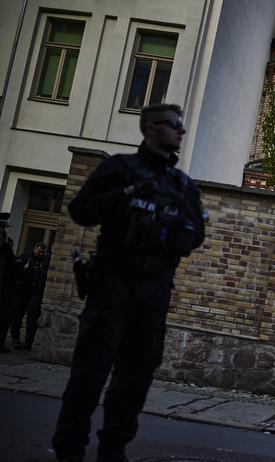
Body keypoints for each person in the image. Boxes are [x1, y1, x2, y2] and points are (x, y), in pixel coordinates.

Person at [52, 103, 206, 462]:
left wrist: (171, 234)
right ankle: (70, 446)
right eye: (173, 125)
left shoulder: (181, 185)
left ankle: (113, 448)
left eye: (181, 126)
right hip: (113, 282)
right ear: (150, 129)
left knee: (137, 373)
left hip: (154, 289)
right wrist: (123, 197)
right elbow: (80, 211)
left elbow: (196, 234)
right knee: (92, 368)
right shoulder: (120, 169)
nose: (180, 132)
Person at [11, 242, 51, 350]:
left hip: (33, 293)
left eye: (42, 252)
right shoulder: (26, 257)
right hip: (22, 291)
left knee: (30, 317)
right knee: (18, 315)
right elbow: (16, 270)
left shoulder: (43, 261)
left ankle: (26, 340)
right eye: (39, 251)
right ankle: (15, 336)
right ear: (34, 249)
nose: (40, 254)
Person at [0, 213, 17, 353]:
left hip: (4, 290)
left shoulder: (6, 244)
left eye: (5, 227)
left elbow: (11, 264)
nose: (4, 230)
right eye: (2, 227)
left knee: (5, 317)